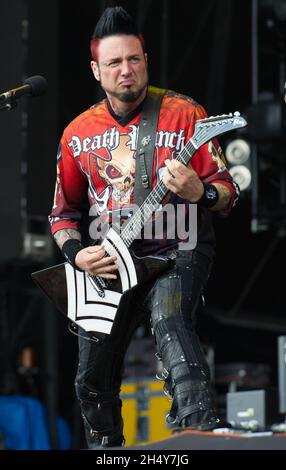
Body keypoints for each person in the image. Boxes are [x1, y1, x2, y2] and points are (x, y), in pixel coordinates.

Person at [49, 7, 240, 448]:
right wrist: (76, 254)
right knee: (91, 378)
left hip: (177, 247)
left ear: (146, 60)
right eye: (114, 63)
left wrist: (202, 193)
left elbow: (229, 191)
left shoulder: (185, 113)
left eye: (134, 59)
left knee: (171, 322)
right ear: (97, 70)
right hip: (111, 261)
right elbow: (62, 214)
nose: (126, 70)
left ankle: (198, 438)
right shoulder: (77, 133)